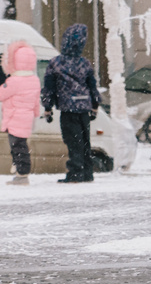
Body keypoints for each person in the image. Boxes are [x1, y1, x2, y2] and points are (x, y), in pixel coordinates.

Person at [41, 23, 102, 183]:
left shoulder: (56, 63)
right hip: (84, 108)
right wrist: (95, 106)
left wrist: (48, 108)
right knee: (85, 141)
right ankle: (87, 172)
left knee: (73, 141)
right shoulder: (85, 63)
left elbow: (49, 88)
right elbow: (92, 86)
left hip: (68, 109)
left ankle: (75, 173)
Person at [0, 40, 42, 185]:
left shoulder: (14, 81)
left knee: (17, 146)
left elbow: (1, 94)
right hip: (26, 117)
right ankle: (21, 171)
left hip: (14, 118)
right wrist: (35, 113)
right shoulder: (34, 80)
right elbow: (36, 102)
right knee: (22, 145)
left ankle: (22, 173)